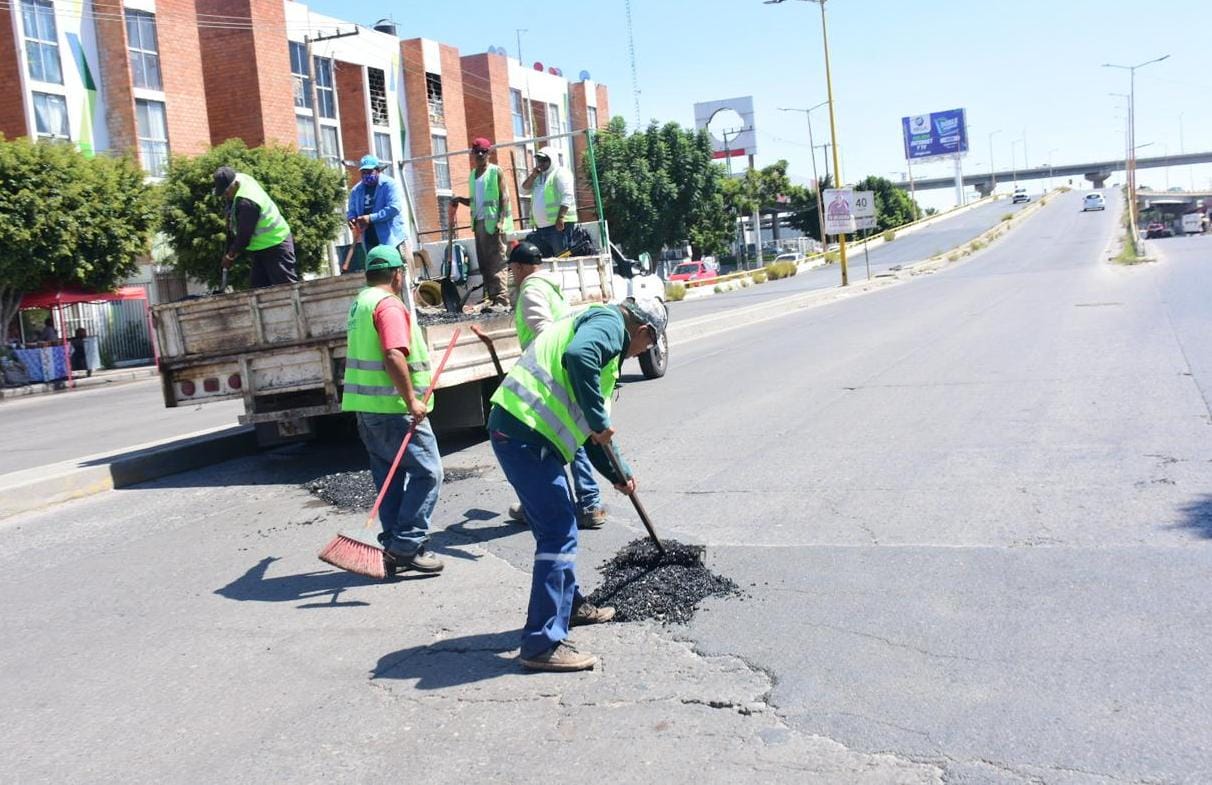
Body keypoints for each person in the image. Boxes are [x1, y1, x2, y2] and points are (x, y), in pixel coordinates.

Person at [487, 296, 668, 672]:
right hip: (525, 433)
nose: (641, 353)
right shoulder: (609, 324)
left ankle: (570, 605)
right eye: (649, 345)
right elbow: (579, 359)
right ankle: (541, 643)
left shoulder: (606, 338)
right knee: (558, 531)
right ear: (644, 331)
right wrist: (601, 421)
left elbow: (591, 433)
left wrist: (621, 475)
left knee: (557, 527)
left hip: (528, 434)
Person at [341, 245, 445, 575]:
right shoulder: (388, 305)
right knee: (429, 472)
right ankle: (406, 545)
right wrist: (413, 400)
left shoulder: (360, 303)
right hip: (394, 407)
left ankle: (394, 543)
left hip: (367, 408)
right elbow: (393, 354)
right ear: (398, 274)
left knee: (389, 474)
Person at [506, 241, 607, 530]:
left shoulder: (531, 289)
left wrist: (536, 364)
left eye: (513, 268)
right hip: (558, 370)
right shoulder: (551, 286)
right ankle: (566, 502)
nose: (512, 274)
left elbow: (544, 331)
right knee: (563, 435)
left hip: (546, 373)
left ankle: (583, 503)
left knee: (556, 438)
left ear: (522, 267)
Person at [450, 138, 513, 309]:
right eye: (476, 151)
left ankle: (502, 300)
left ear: (489, 153)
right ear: (472, 154)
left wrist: (500, 222)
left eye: (483, 152)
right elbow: (475, 201)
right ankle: (493, 298)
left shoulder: (495, 171)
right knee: (485, 264)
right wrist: (459, 199)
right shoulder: (472, 175)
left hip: (493, 224)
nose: (479, 155)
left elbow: (504, 197)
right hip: (478, 224)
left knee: (497, 262)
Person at [214, 166, 298, 288]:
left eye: (226, 192)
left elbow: (243, 238)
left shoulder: (247, 203)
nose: (225, 196)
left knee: (286, 288)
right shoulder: (242, 179)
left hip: (276, 244)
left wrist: (230, 256)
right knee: (258, 289)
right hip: (261, 248)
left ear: (235, 184)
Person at [346, 155, 408, 255]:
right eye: (363, 172)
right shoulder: (356, 190)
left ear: (378, 170)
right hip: (369, 241)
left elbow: (394, 208)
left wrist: (371, 218)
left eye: (369, 172)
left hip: (392, 240)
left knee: (394, 267)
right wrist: (351, 218)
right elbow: (352, 210)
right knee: (375, 269)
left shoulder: (389, 185)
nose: (366, 175)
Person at [522, 146, 576, 256]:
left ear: (552, 160)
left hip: (558, 227)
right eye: (539, 160)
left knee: (562, 258)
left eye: (544, 160)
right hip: (542, 228)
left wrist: (560, 218)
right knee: (547, 262)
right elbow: (523, 190)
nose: (541, 163)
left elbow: (568, 195)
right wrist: (533, 176)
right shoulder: (537, 177)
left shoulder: (560, 173)